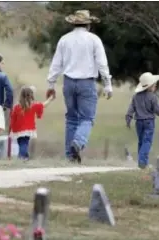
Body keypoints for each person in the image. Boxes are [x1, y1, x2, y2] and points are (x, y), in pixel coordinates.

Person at [46, 10, 113, 164]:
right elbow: (102, 63)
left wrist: (51, 84)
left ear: (73, 24)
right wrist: (108, 85)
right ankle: (78, 142)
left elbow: (56, 64)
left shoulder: (64, 40)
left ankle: (70, 156)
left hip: (69, 82)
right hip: (87, 83)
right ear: (88, 24)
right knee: (87, 118)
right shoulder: (94, 40)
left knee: (71, 119)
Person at [125, 72, 159, 169]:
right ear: (149, 87)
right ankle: (142, 162)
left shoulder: (135, 97)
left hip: (138, 122)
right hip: (149, 122)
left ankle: (143, 162)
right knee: (147, 141)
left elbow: (131, 109)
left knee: (141, 141)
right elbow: (157, 109)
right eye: (154, 85)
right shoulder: (152, 97)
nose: (155, 86)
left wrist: (128, 118)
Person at [9, 86, 54, 160]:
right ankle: (22, 157)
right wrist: (50, 99)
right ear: (31, 96)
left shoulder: (17, 107)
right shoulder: (33, 106)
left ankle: (23, 157)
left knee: (22, 144)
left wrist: (12, 129)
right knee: (24, 144)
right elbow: (43, 105)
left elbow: (13, 118)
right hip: (27, 130)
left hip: (17, 130)